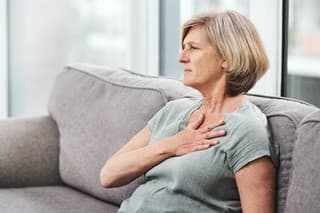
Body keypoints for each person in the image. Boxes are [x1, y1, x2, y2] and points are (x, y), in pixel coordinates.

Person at [100, 9, 278, 213]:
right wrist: (172, 145)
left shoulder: (247, 131)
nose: (181, 57)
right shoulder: (174, 110)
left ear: (226, 58)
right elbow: (109, 175)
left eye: (193, 48)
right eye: (183, 48)